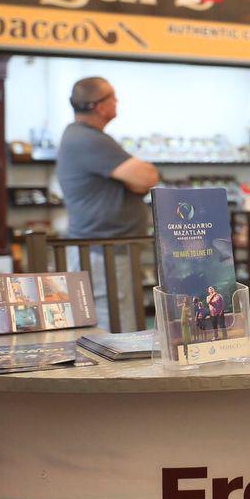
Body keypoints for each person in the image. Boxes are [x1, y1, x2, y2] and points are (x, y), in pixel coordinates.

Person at [55, 77, 159, 322]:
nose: (117, 101)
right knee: (116, 324)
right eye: (113, 96)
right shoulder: (88, 139)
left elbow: (139, 182)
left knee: (118, 318)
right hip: (103, 252)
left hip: (105, 250)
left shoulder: (87, 137)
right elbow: (147, 176)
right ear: (99, 106)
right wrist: (132, 181)